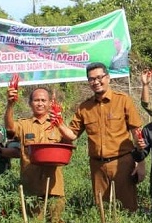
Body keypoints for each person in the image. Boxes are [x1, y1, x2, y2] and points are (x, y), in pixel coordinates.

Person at [56, 62, 145, 212]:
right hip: (97, 166)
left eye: (99, 77)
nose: (96, 82)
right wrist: (58, 122)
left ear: (108, 77)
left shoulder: (123, 100)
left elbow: (137, 135)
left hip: (122, 163)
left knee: (128, 208)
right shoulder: (84, 107)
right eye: (91, 79)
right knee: (102, 210)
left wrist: (141, 163)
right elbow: (72, 134)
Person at [5, 87, 67, 223]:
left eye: (43, 100)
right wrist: (10, 105)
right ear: (30, 103)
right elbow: (10, 127)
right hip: (31, 186)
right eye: (36, 100)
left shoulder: (58, 125)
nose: (40, 103)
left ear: (50, 103)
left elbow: (69, 142)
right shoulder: (24, 124)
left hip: (54, 186)